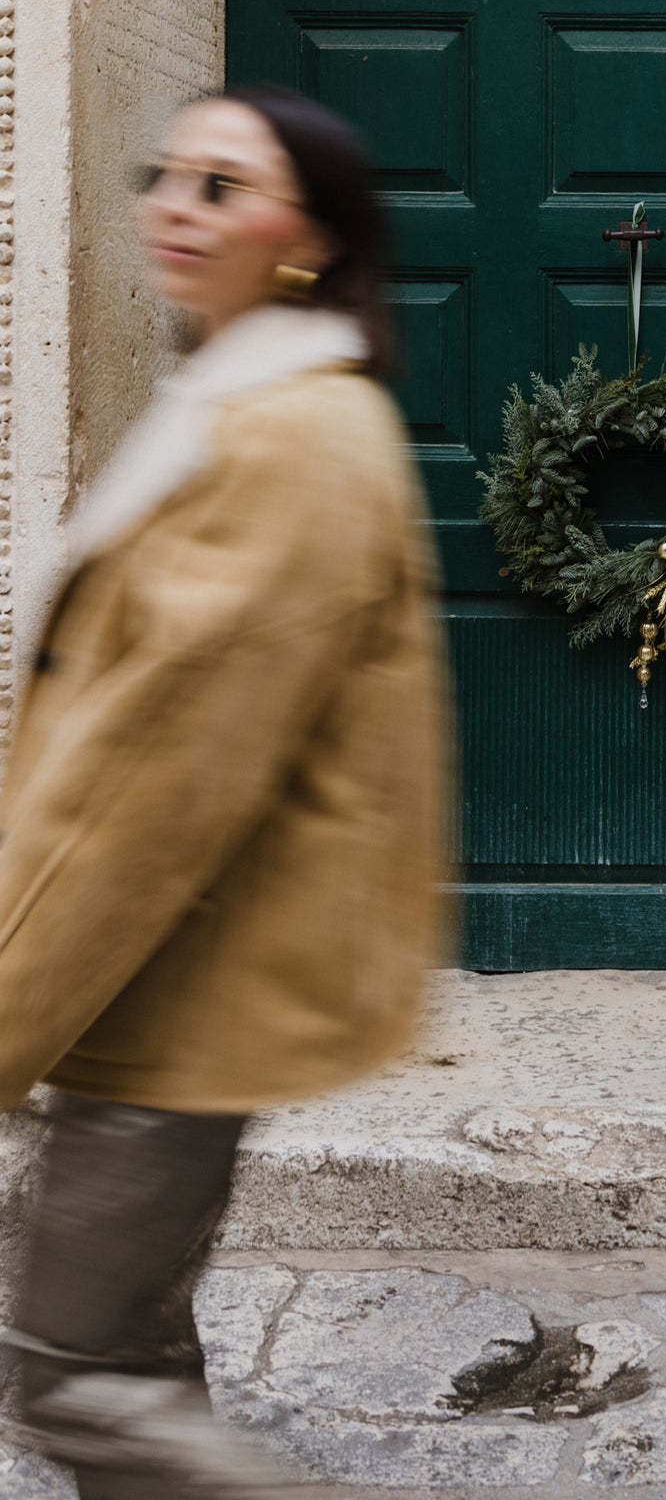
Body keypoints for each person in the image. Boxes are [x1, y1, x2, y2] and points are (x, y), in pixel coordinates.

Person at [0, 87, 448, 1497]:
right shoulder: (244, 403)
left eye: (224, 185)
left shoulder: (280, 440)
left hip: (171, 986)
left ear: (309, 237)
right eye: (168, 175)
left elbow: (150, 777)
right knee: (124, 1351)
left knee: (78, 1383)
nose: (178, 209)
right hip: (160, 982)